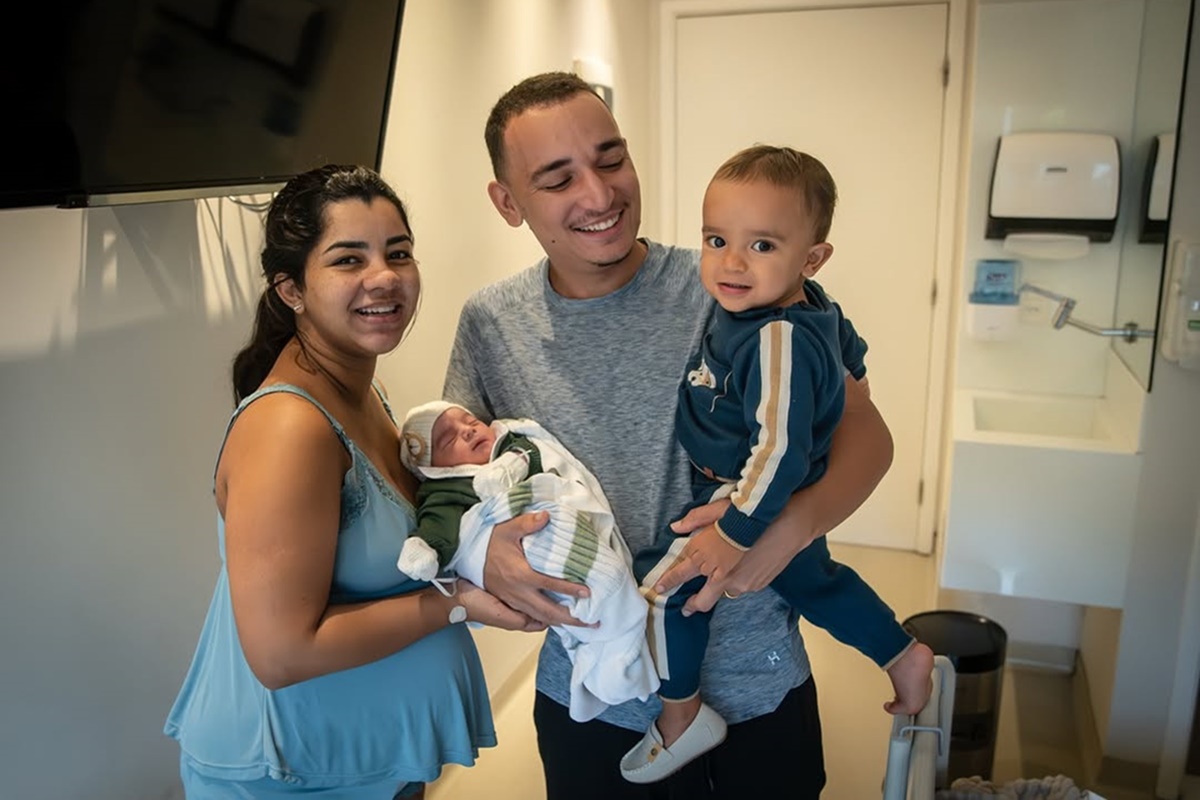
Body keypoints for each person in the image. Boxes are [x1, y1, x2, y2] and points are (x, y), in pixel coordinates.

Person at [442, 71, 895, 799]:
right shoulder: (493, 323)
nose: (598, 195)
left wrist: (776, 535)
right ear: (507, 202)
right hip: (592, 697)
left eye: (611, 159)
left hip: (758, 682)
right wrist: (484, 561)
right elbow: (455, 486)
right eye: (558, 179)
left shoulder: (736, 283)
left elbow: (869, 439)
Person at [163, 164, 538, 799]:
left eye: (398, 253)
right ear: (291, 289)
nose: (385, 277)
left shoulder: (365, 395)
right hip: (292, 773)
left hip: (370, 758)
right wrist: (456, 602)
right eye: (347, 259)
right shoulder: (291, 427)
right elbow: (282, 654)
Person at [618, 144, 935, 784]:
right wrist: (855, 380)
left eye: (762, 246)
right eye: (716, 239)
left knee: (662, 591)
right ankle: (902, 653)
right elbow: (848, 348)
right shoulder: (806, 304)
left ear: (810, 258)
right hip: (757, 488)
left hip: (748, 491)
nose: (731, 263)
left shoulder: (777, 337)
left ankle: (682, 717)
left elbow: (779, 451)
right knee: (814, 582)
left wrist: (735, 530)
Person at [395, 400, 660, 722]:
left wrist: (512, 463)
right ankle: (609, 650)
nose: (467, 431)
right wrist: (427, 549)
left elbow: (537, 458)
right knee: (589, 599)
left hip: (562, 525)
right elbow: (439, 523)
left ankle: (616, 648)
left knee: (610, 579)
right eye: (450, 440)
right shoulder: (446, 489)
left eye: (469, 421)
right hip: (533, 552)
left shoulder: (513, 445)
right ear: (434, 468)